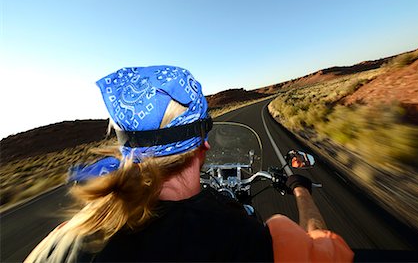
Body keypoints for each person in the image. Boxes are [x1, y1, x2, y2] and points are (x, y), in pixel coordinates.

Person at [25, 65, 353, 262]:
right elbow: (326, 251)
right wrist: (300, 189)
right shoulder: (248, 240)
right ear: (203, 143)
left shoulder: (70, 235)